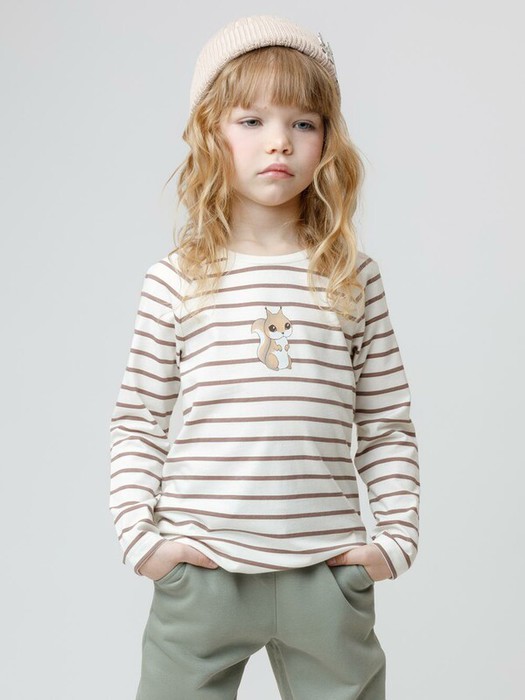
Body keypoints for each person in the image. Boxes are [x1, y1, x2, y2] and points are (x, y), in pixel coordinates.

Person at [109, 14, 420, 700]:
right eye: (250, 120)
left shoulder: (353, 278)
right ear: (210, 133)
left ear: (327, 140)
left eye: (303, 122)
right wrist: (144, 543)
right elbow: (138, 420)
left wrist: (392, 542)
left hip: (326, 574)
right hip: (203, 574)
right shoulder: (175, 280)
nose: (278, 140)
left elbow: (385, 423)